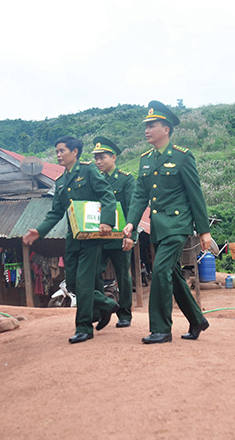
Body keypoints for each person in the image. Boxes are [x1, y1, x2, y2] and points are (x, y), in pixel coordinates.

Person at [122, 101, 211, 344]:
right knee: (171, 274)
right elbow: (140, 195)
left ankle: (161, 329)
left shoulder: (182, 157)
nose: (147, 130)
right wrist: (131, 223)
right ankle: (197, 319)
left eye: (152, 125)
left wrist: (204, 231)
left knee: (160, 271)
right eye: (146, 126)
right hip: (159, 228)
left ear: (166, 129)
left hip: (177, 225)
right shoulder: (145, 160)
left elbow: (196, 195)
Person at [23, 136, 120, 344]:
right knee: (73, 283)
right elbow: (56, 212)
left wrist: (107, 222)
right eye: (56, 151)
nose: (58, 155)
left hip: (93, 236)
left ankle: (84, 327)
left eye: (62, 151)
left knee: (84, 282)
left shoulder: (88, 171)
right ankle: (106, 304)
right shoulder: (60, 182)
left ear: (75, 152)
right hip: (74, 238)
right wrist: (39, 232)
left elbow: (107, 196)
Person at [92, 136, 135, 328]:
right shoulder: (94, 180)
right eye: (96, 158)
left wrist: (129, 235)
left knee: (123, 275)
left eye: (102, 157)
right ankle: (104, 310)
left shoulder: (125, 180)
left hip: (119, 237)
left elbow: (132, 209)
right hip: (99, 238)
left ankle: (124, 314)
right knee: (94, 274)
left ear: (114, 157)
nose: (98, 162)